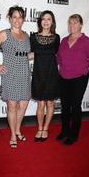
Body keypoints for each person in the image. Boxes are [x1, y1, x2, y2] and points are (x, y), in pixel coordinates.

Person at [0, 6, 31, 148]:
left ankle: (18, 130)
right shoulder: (4, 34)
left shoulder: (26, 36)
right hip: (10, 73)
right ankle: (13, 134)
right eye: (14, 17)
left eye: (20, 17)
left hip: (24, 73)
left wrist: (43, 53)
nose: (17, 20)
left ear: (23, 19)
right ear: (10, 18)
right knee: (12, 105)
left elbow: (26, 56)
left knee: (23, 104)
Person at [57, 14, 89, 145]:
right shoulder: (63, 40)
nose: (72, 26)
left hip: (79, 78)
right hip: (63, 77)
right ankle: (64, 131)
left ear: (80, 25)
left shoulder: (87, 42)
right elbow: (58, 58)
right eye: (70, 23)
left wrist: (81, 68)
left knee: (75, 106)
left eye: (75, 23)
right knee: (64, 106)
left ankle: (73, 135)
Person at [30, 10, 60, 142]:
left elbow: (58, 55)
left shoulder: (57, 37)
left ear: (52, 22)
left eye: (49, 19)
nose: (46, 21)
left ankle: (46, 128)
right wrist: (16, 59)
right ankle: (40, 128)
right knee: (41, 104)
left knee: (51, 103)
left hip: (52, 74)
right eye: (43, 19)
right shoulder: (33, 37)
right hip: (38, 74)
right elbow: (30, 54)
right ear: (40, 21)